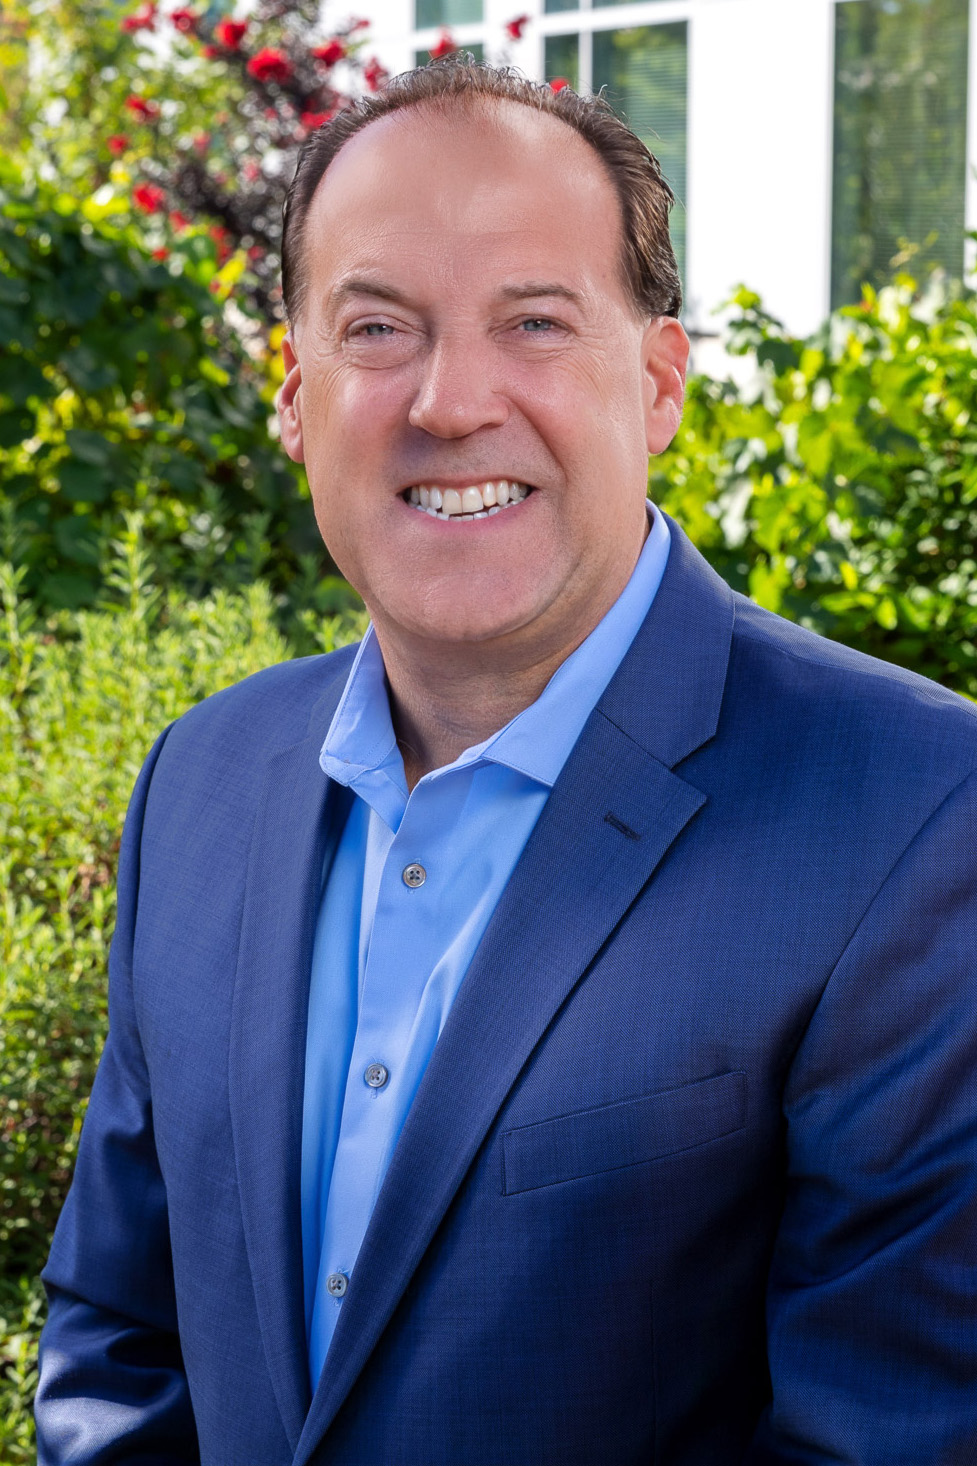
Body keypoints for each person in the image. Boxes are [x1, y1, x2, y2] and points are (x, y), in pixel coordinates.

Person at [35, 60, 977, 1466]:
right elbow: (119, 1342)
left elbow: (894, 1435)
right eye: (376, 328)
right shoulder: (200, 782)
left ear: (656, 383)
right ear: (294, 397)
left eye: (533, 322)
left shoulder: (914, 814)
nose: (450, 399)